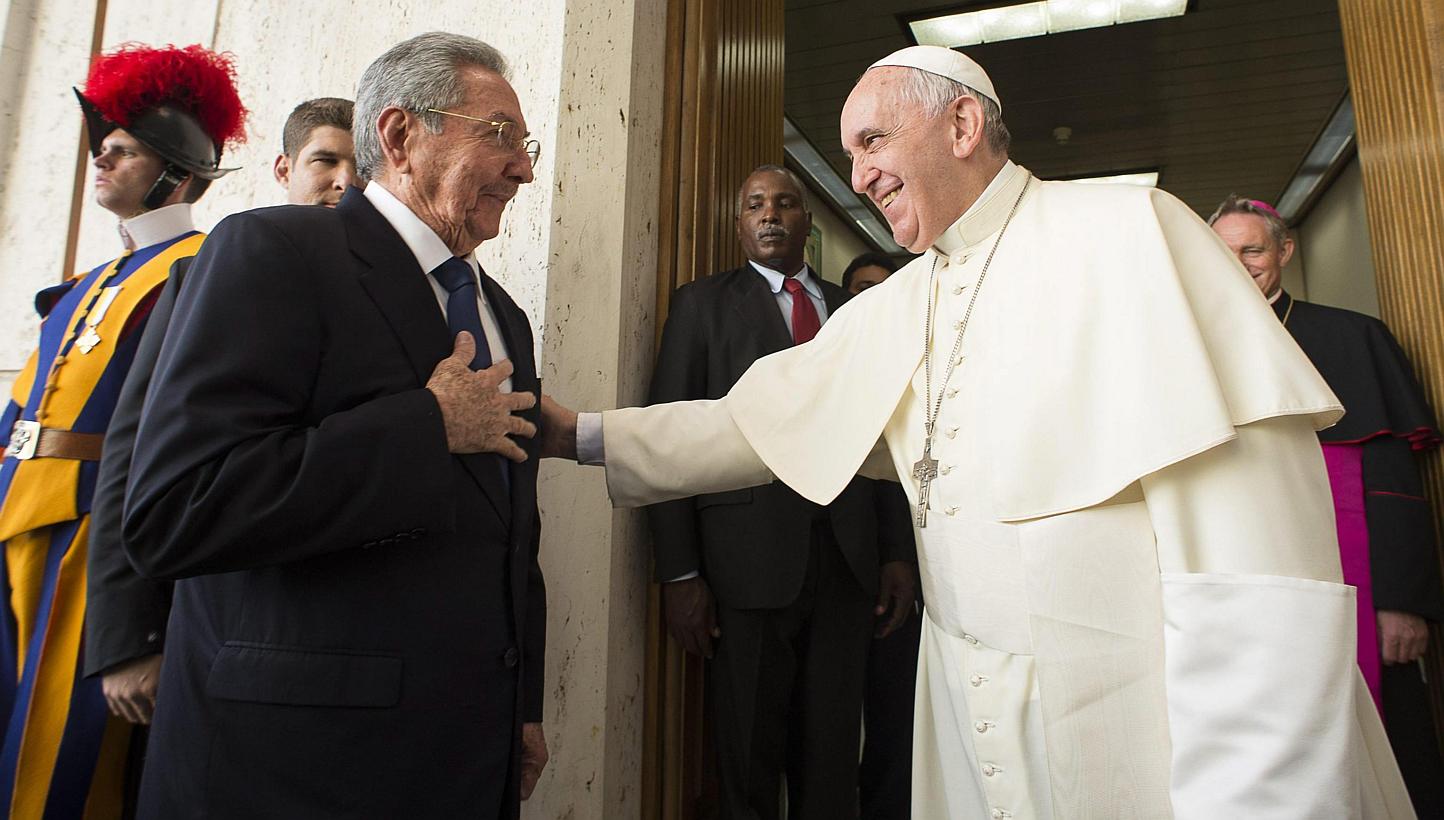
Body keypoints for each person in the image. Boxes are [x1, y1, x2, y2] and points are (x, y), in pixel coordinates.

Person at [540, 45, 1415, 818]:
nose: (857, 176)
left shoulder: (1128, 232)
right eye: (848, 156)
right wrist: (579, 434)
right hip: (962, 710)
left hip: (1133, 717)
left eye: (872, 142)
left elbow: (1256, 566)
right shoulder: (901, 301)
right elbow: (753, 424)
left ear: (962, 123)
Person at [120, 33, 547, 818]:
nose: (522, 167)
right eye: (498, 136)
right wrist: (426, 428)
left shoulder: (505, 319)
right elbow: (174, 508)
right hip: (296, 768)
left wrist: (521, 701)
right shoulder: (272, 251)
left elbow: (513, 532)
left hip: (463, 754)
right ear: (399, 135)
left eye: (526, 146)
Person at [0, 43, 245, 819]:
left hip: (94, 532)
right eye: (101, 147)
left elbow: (186, 434)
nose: (99, 158)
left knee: (57, 762)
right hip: (14, 512)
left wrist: (141, 616)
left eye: (123, 149)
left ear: (177, 172)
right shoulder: (86, 281)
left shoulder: (205, 266)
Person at [649, 164, 915, 819]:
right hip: (745, 569)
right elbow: (670, 439)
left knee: (829, 763)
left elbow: (878, 435)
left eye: (786, 204)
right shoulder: (700, 306)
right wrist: (679, 571)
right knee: (747, 759)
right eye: (755, 205)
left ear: (807, 224)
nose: (770, 215)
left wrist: (894, 552)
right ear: (739, 223)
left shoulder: (855, 312)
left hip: (846, 566)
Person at [1210, 194, 1444, 816]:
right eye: (1222, 252)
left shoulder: (1351, 337)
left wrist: (1400, 603)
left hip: (1354, 575)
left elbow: (1395, 486)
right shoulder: (1188, 351)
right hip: (1246, 581)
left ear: (1284, 252)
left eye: (1252, 250)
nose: (1238, 264)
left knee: (1390, 733)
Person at [272, 97, 359, 206]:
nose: (346, 183)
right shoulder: (249, 222)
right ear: (284, 171)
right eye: (325, 161)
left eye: (362, 168)